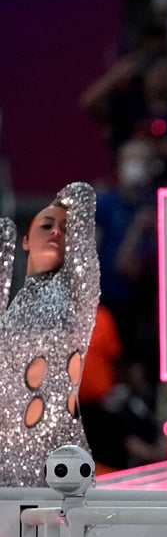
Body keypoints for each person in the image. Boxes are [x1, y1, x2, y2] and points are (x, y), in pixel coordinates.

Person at [0, 182, 100, 487]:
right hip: (6, 458)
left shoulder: (77, 295)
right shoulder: (10, 307)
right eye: (47, 224)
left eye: (66, 228)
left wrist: (61, 203)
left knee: (63, 533)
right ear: (27, 241)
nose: (57, 231)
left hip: (60, 460)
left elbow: (83, 194)